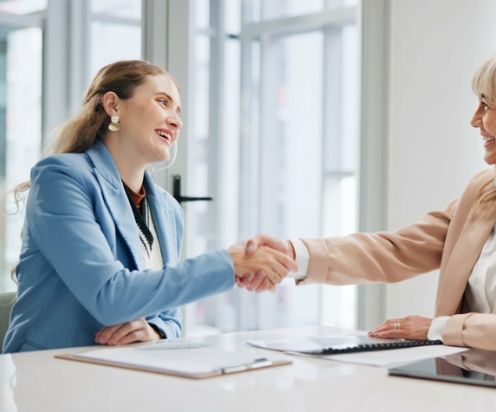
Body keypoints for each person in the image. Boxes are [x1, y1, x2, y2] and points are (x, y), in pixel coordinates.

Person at [239, 45, 496, 360]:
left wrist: (438, 329)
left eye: (486, 105)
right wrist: (290, 254)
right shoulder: (485, 191)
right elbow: (396, 249)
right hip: (467, 381)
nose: (474, 120)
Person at [2, 60, 294, 353]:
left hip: (127, 371)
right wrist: (229, 264)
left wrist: (156, 331)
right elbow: (109, 296)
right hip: (49, 375)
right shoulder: (61, 178)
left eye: (178, 111)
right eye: (162, 102)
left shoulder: (168, 209)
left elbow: (171, 315)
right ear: (113, 106)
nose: (176, 121)